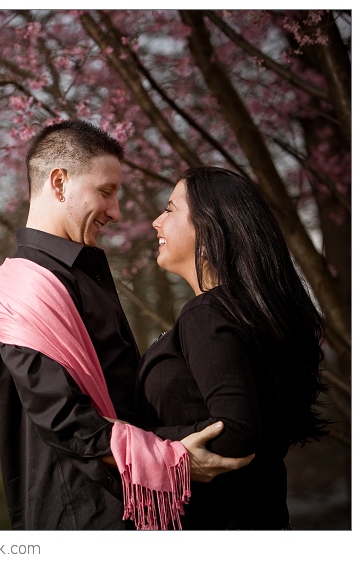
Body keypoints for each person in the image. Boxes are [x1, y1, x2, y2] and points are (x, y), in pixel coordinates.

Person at [0, 120, 252, 530]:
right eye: (106, 192)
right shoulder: (23, 290)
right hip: (83, 518)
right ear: (59, 183)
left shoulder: (78, 273)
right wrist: (173, 459)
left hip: (129, 509)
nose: (116, 211)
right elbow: (65, 420)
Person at [138, 166, 328, 529]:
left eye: (171, 209)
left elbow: (237, 429)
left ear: (209, 233)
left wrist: (135, 439)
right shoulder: (246, 311)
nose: (155, 221)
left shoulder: (207, 313)